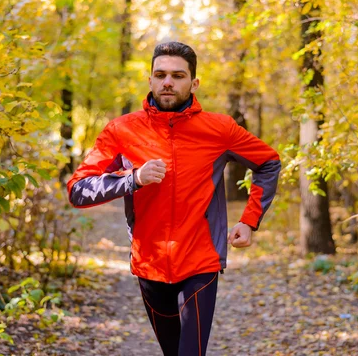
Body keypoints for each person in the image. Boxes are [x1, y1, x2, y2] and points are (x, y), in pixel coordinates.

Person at [67, 41, 281, 356]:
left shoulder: (219, 129)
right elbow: (78, 190)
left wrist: (249, 221)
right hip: (148, 263)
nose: (168, 82)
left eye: (178, 76)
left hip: (200, 261)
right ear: (150, 80)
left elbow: (268, 163)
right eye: (161, 74)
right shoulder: (122, 131)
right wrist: (133, 179)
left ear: (194, 83)